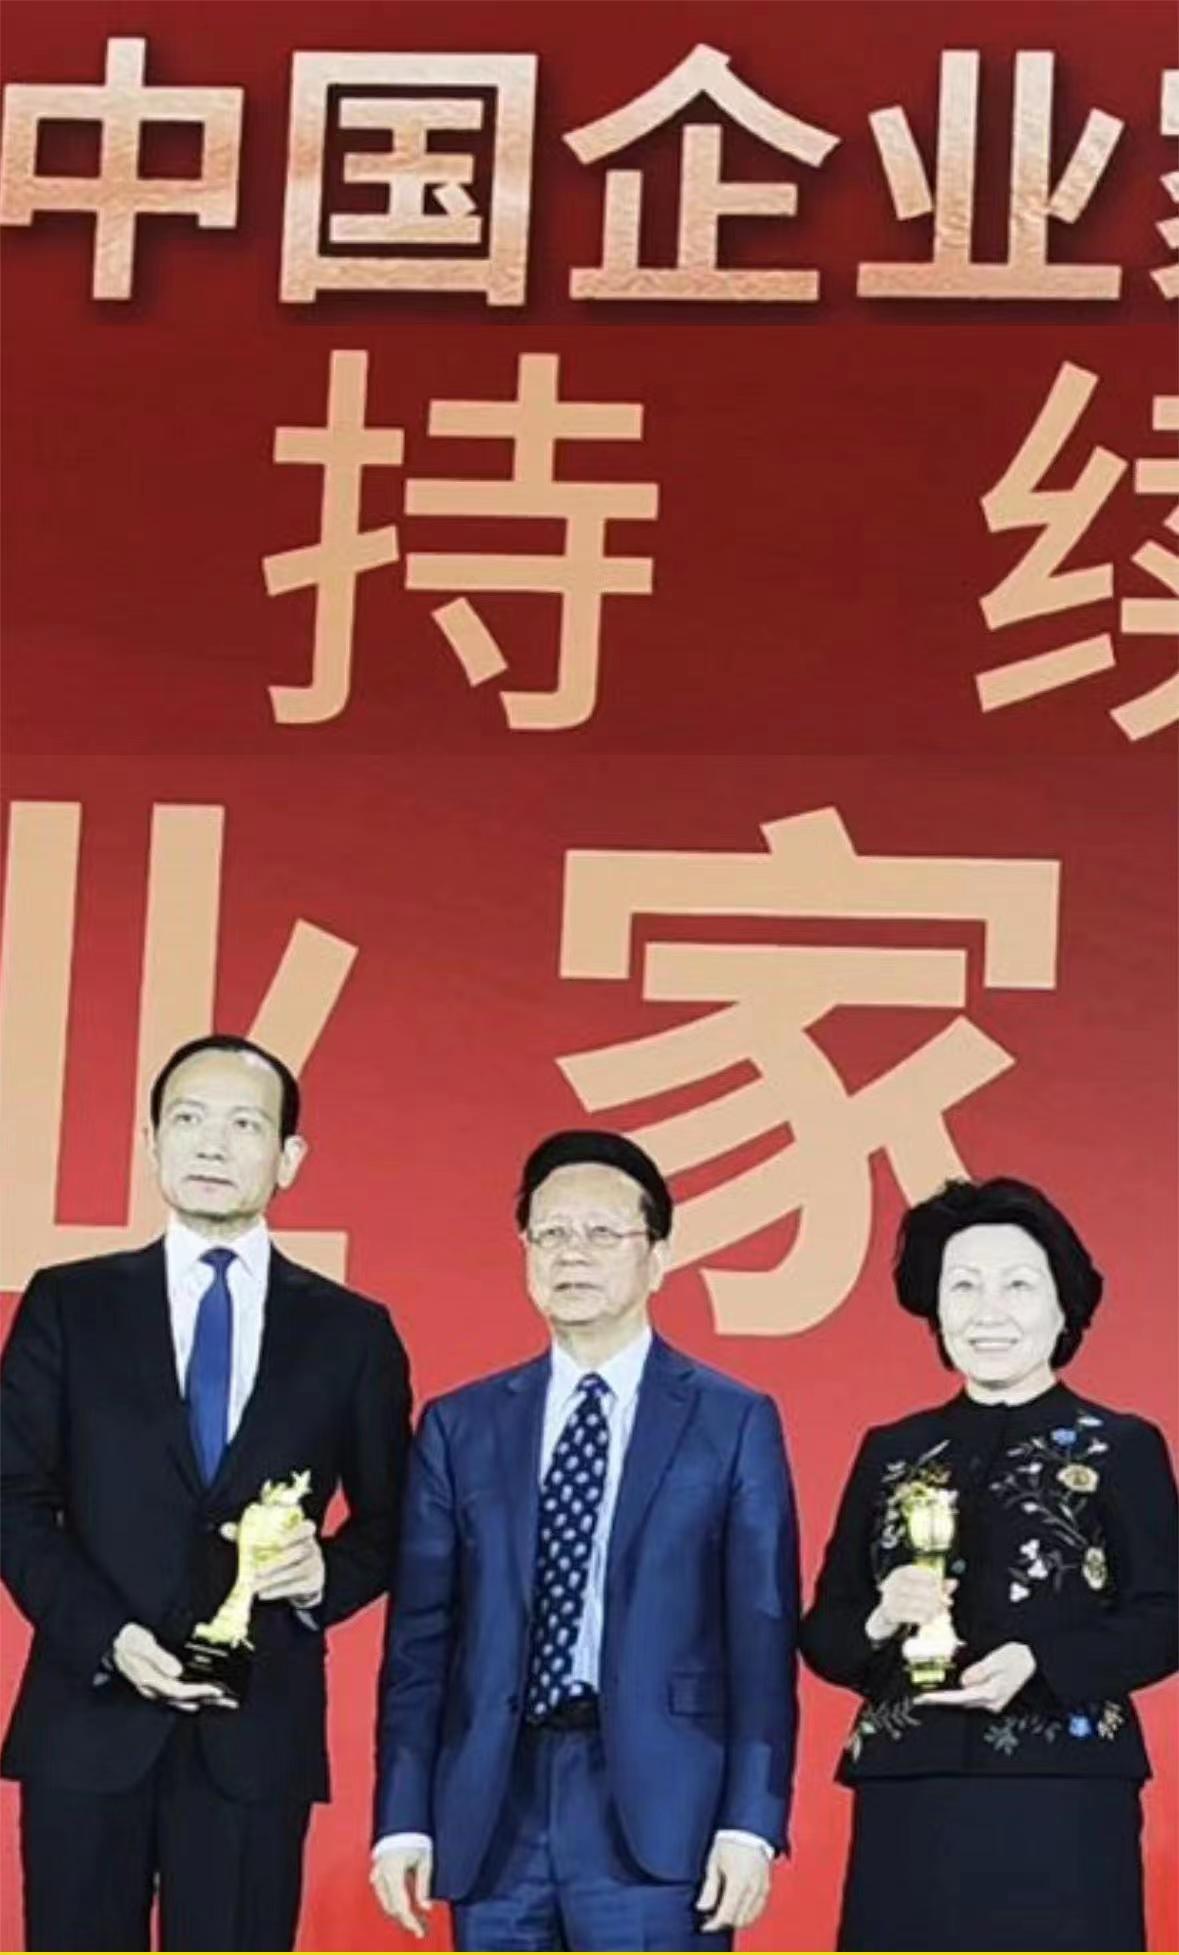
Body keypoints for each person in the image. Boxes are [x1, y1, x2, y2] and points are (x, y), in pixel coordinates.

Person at [1, 1034, 412, 1952]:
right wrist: (108, 1635)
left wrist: (323, 1574)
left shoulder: (350, 1332)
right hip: (89, 1717)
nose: (213, 1144)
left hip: (253, 1733)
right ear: (151, 1143)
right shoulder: (70, 1304)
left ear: (289, 1156)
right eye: (188, 1119)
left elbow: (394, 1522)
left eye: (244, 1125)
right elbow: (12, 1498)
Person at [372, 1129, 799, 1952]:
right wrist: (402, 1818)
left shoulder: (731, 1420)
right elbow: (419, 1642)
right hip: (495, 1807)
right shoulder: (461, 1425)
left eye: (602, 1232)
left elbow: (761, 1637)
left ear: (658, 1256)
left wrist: (750, 1820)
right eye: (551, 1232)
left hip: (660, 1806)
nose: (573, 1252)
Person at [801, 1176, 1178, 1953]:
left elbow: (1165, 1616)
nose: (987, 1311)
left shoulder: (1120, 1445)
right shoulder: (892, 1449)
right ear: (936, 1310)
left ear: (1062, 1305)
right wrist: (880, 1615)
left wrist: (1040, 1662)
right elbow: (825, 1633)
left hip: (1064, 1788)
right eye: (963, 1286)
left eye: (1016, 1285)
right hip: (909, 1784)